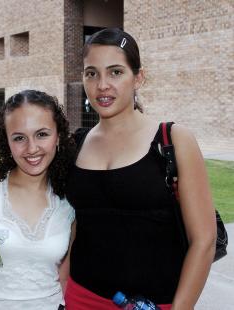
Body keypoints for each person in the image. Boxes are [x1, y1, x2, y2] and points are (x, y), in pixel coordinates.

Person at [64, 28, 216, 309]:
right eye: (91, 73)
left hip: (156, 303)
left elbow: (204, 240)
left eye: (116, 72)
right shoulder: (76, 143)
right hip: (80, 297)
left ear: (139, 77)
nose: (102, 85)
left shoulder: (173, 140)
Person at [0, 90, 76, 309]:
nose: (32, 148)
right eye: (19, 138)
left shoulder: (69, 200)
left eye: (42, 134)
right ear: (7, 141)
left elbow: (64, 278)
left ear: (58, 136)